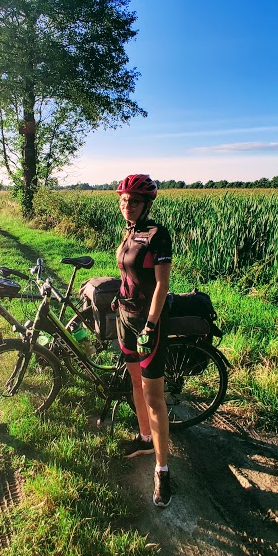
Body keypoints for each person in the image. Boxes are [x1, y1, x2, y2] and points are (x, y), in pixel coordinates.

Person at [114, 174, 177, 507]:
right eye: (124, 199)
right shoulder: (129, 232)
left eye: (134, 200)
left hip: (146, 323)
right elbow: (128, 275)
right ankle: (144, 438)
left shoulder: (156, 235)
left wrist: (151, 325)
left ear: (147, 204)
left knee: (154, 397)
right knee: (135, 384)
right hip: (124, 318)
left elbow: (161, 286)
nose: (128, 205)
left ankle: (162, 470)